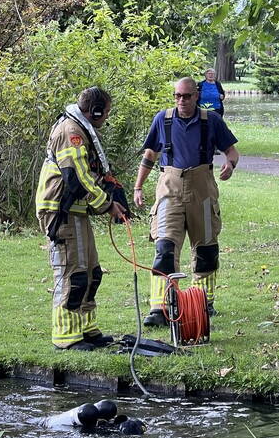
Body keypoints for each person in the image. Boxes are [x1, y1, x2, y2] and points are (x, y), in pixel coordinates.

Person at [133, 77, 240, 326]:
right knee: (164, 248)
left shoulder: (211, 120)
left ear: (196, 96)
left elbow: (232, 152)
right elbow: (150, 155)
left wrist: (230, 165)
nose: (182, 101)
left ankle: (202, 302)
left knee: (206, 250)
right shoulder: (163, 119)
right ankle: (159, 308)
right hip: (169, 189)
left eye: (187, 96)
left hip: (202, 189)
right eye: (178, 96)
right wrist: (138, 186)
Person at [35, 86, 128, 351]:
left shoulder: (81, 129)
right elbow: (78, 176)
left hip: (76, 210)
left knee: (91, 272)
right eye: (106, 112)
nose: (106, 118)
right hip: (60, 211)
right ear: (95, 111)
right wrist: (107, 205)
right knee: (72, 273)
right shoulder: (71, 132)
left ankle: (86, 329)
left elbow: (92, 173)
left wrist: (114, 191)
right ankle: (66, 336)